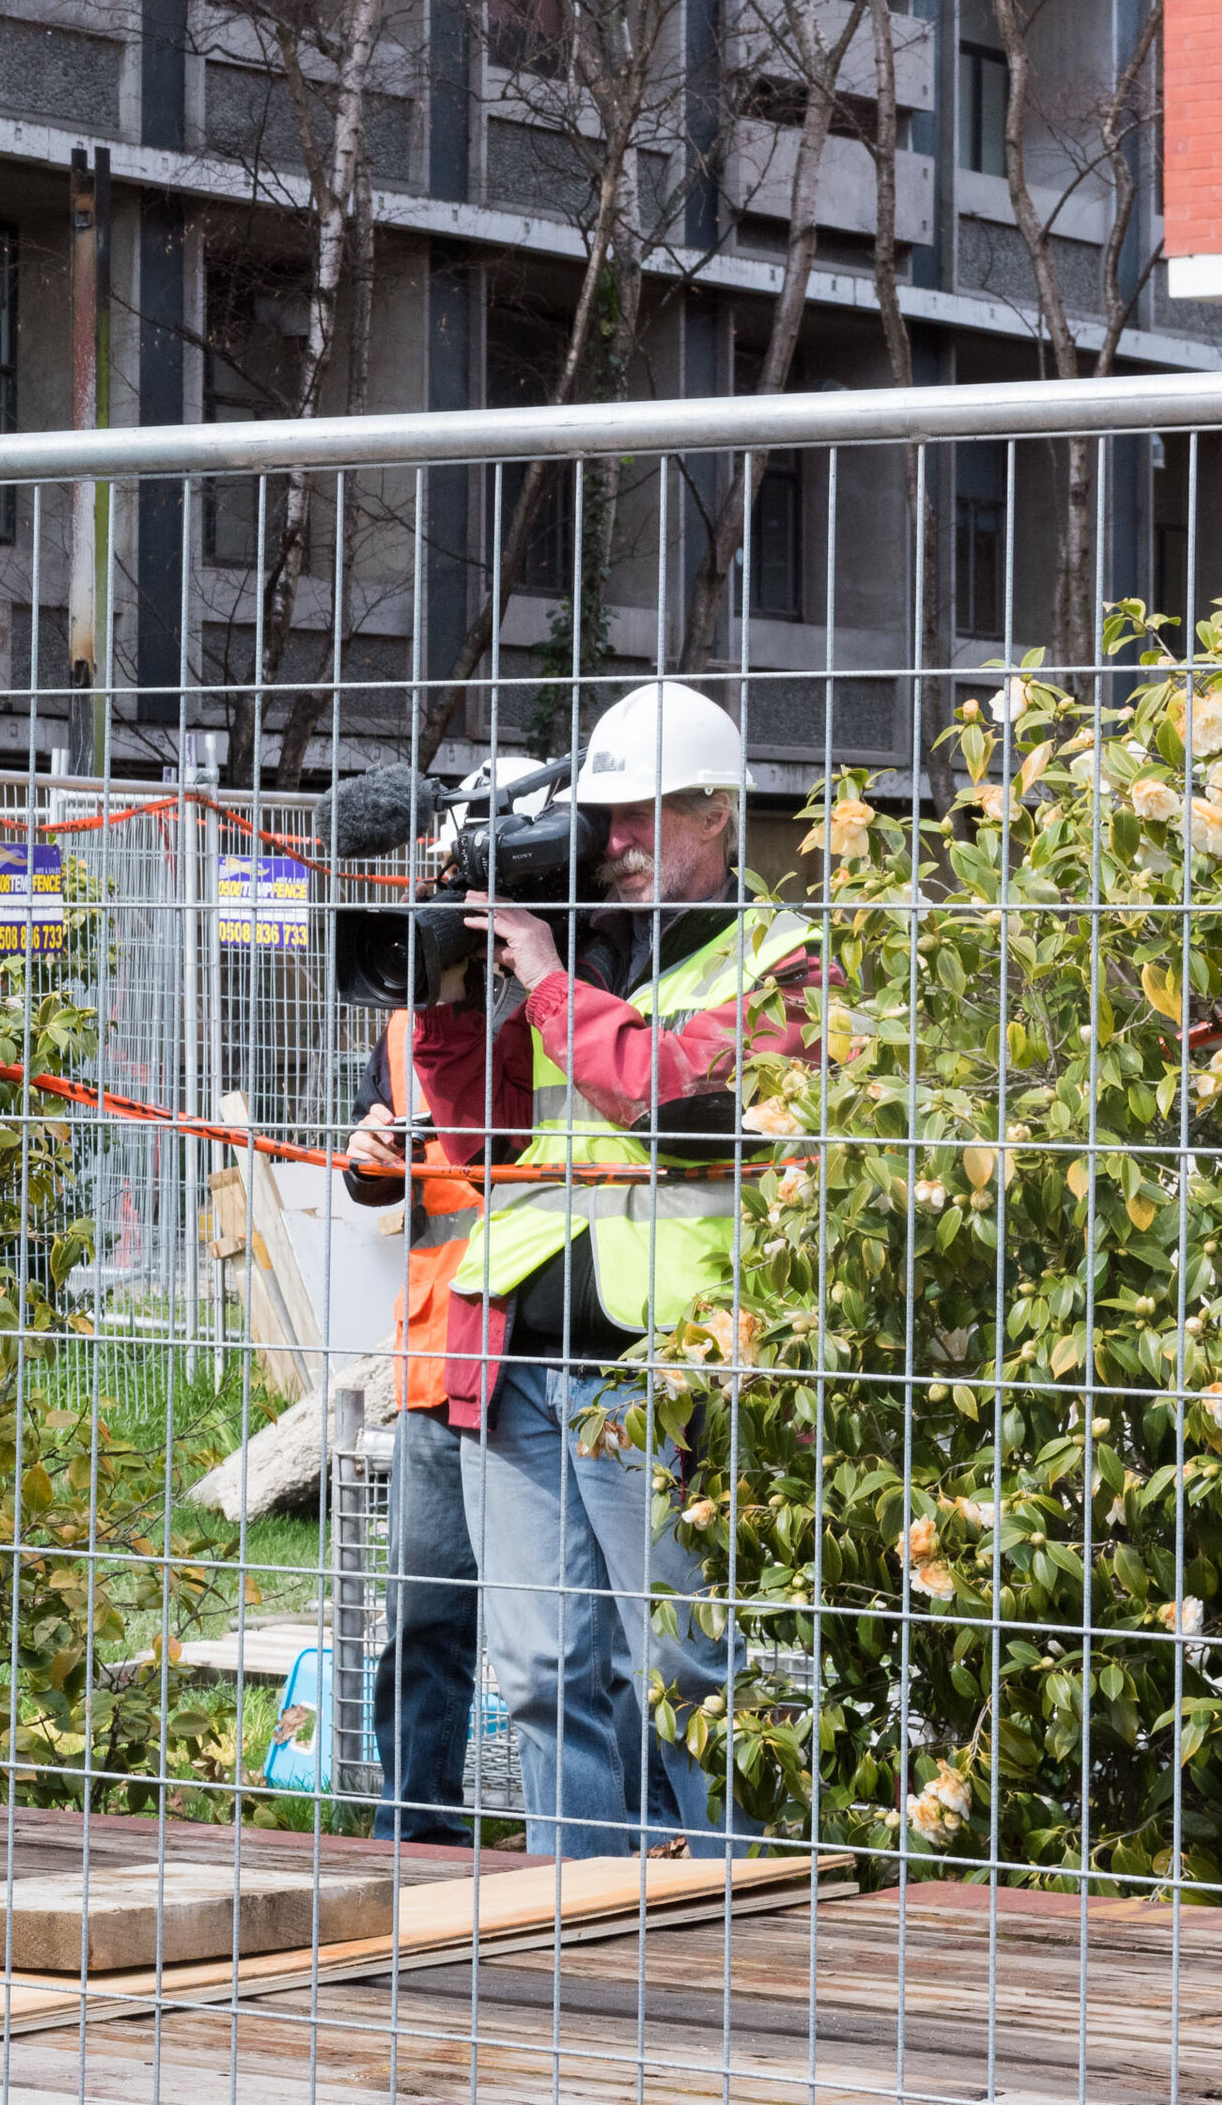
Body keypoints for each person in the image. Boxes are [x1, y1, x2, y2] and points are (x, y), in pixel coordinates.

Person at [411, 684, 823, 1860]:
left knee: (688, 1665)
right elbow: (485, 1138)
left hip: (667, 1371)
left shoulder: (790, 965)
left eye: (641, 818)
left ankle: (722, 1925)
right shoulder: (578, 951)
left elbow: (677, 1099)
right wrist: (443, 995)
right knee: (545, 1670)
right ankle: (574, 1932)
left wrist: (544, 978)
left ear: (718, 812)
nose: (617, 844)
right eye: (605, 819)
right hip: (517, 1359)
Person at [341, 758, 538, 1845]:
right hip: (434, 1349)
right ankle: (413, 1832)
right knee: (425, 1616)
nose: (435, 871)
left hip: (547, 1349)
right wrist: (367, 1156)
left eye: (456, 852)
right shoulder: (409, 992)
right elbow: (389, 1146)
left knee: (560, 1633)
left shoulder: (579, 983)